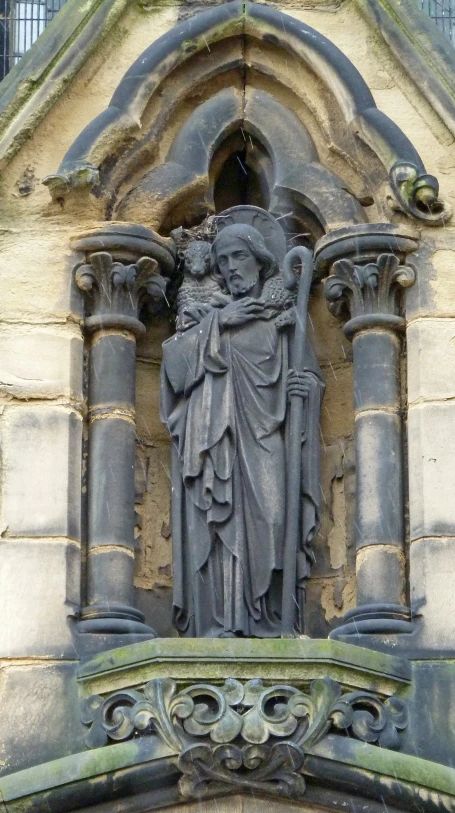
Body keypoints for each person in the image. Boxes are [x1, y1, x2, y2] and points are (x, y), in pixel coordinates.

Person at [160, 223, 324, 637]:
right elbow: (176, 372)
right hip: (213, 442)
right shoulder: (202, 317)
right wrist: (221, 323)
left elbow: (307, 379)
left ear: (259, 260)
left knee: (272, 519)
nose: (231, 268)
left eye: (239, 257)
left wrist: (309, 390)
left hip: (266, 438)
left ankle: (269, 621)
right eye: (222, 261)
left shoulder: (284, 320)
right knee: (215, 527)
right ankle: (216, 622)